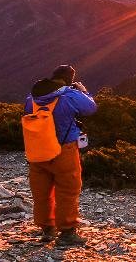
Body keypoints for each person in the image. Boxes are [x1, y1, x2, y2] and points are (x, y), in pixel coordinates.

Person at [24, 65, 97, 246]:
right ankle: (67, 232)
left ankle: (47, 229)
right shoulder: (69, 96)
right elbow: (91, 108)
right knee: (68, 191)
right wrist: (83, 91)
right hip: (64, 150)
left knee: (41, 192)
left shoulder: (31, 99)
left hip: (38, 152)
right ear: (69, 80)